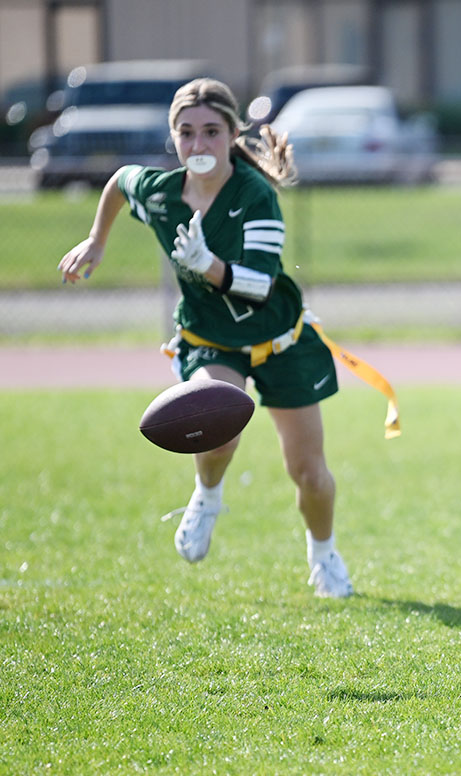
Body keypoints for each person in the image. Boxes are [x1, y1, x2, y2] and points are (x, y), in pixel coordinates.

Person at [58, 78, 353, 597]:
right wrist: (97, 240)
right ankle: (208, 496)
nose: (199, 144)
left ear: (233, 134)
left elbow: (260, 286)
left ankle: (323, 555)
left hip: (281, 339)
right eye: (187, 132)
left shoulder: (255, 194)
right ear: (173, 137)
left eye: (212, 131)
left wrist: (208, 264)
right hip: (210, 338)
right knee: (220, 426)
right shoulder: (161, 193)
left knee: (309, 472)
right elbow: (121, 181)